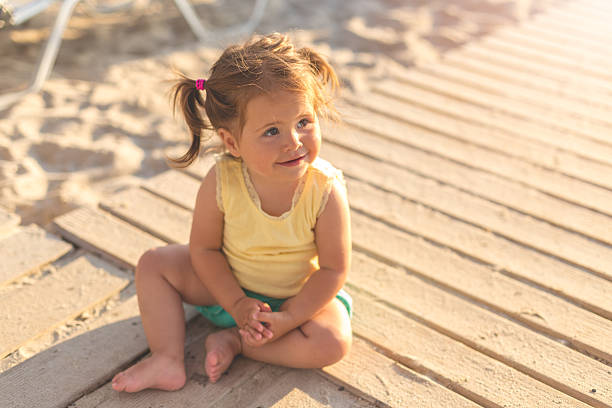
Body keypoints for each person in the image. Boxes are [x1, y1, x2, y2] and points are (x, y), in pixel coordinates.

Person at [111, 32, 353, 393]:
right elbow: (205, 251)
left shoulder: (325, 189)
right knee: (153, 264)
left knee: (332, 343)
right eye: (272, 131)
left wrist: (290, 318)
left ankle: (236, 343)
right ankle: (166, 358)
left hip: (297, 297)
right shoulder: (222, 181)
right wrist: (237, 303)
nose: (293, 140)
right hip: (225, 290)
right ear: (232, 143)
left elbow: (334, 269)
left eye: (304, 121)